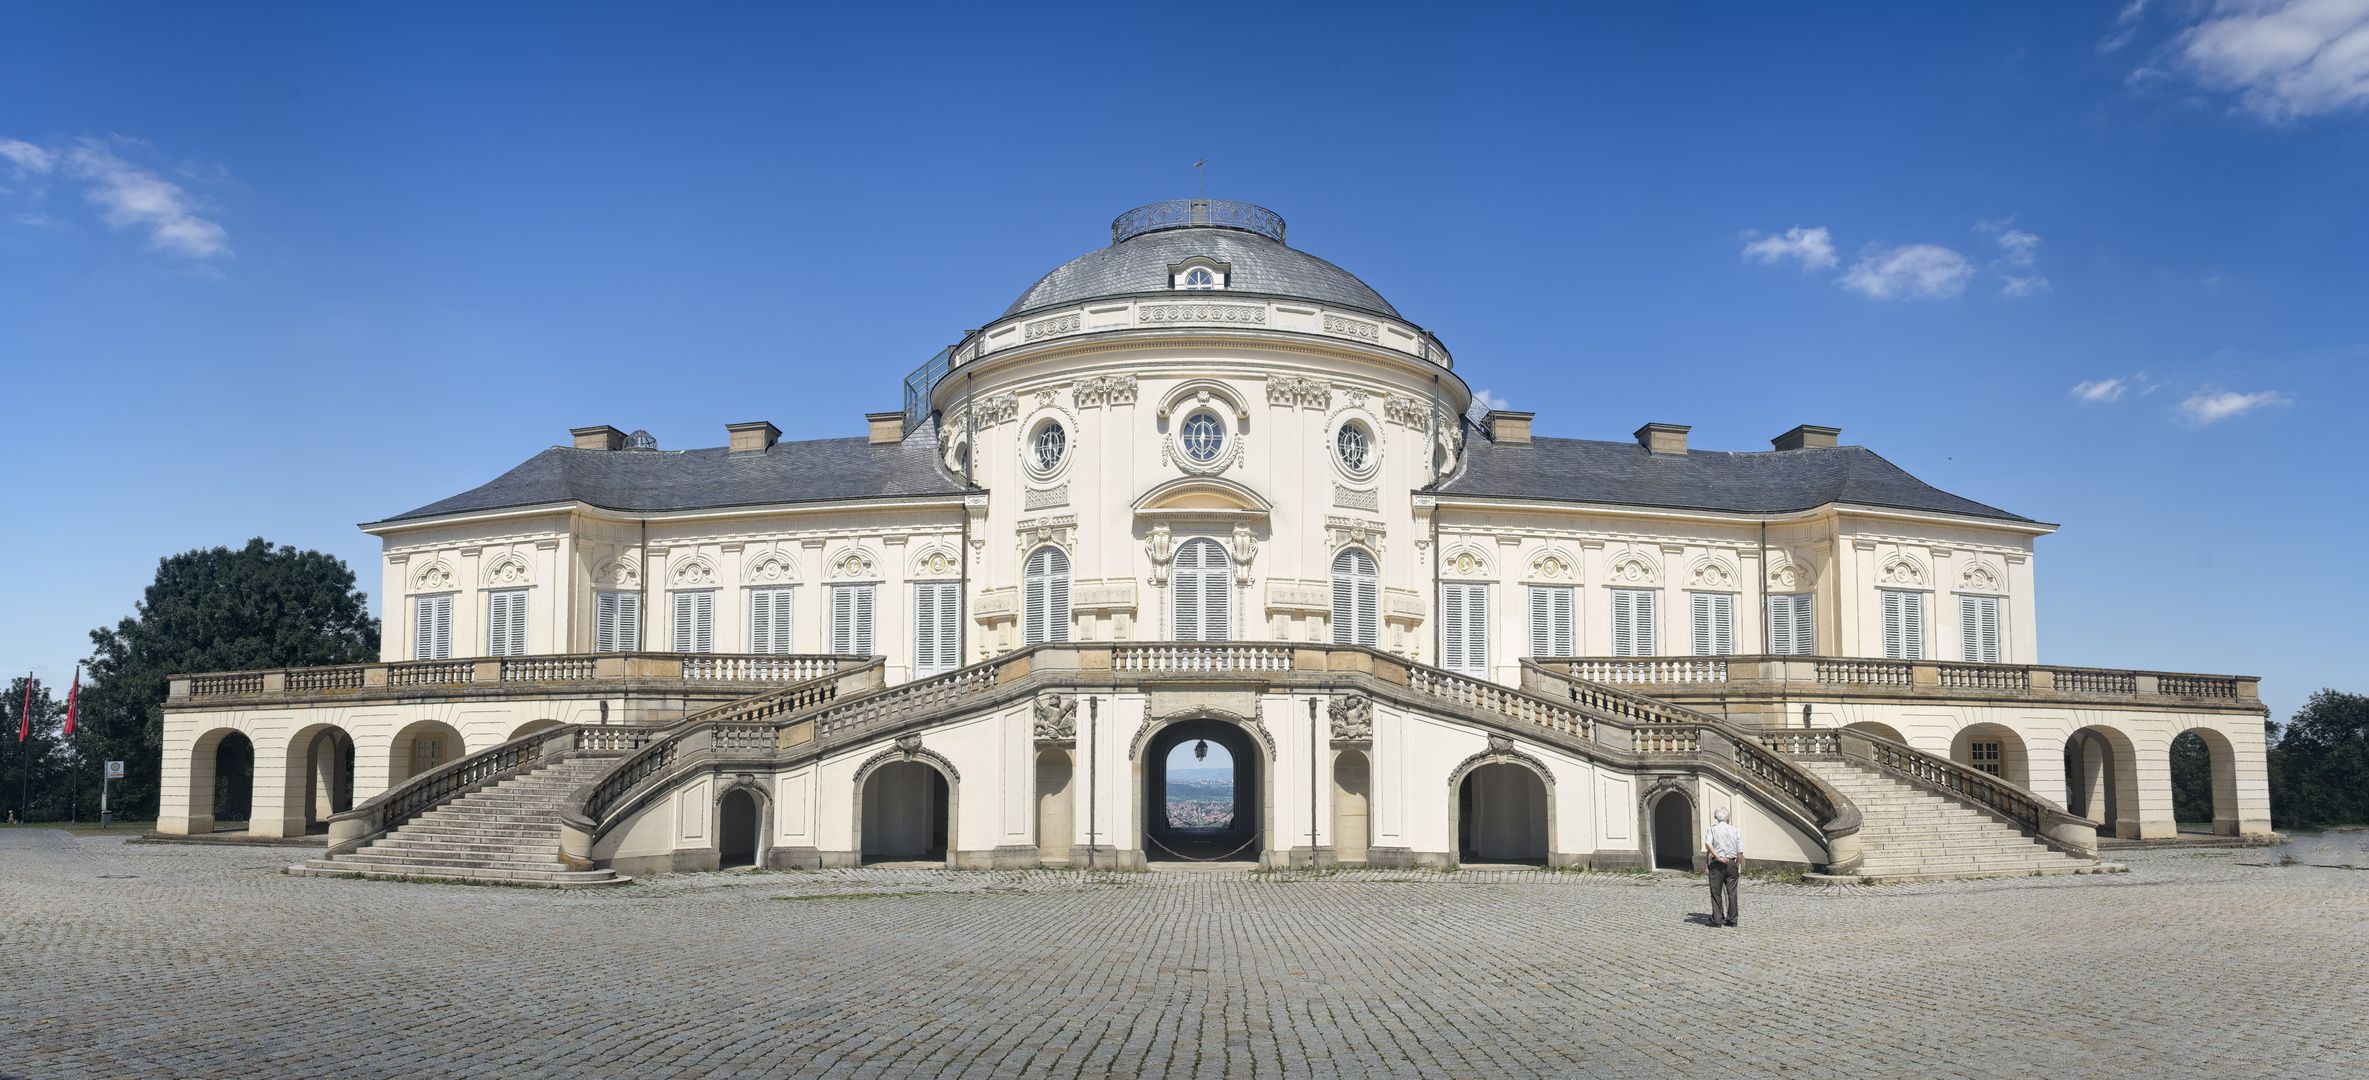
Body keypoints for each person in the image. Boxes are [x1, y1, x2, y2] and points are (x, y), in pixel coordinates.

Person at [1703, 806, 1744, 927]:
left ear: (1716, 818)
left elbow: (1707, 844)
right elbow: (1740, 851)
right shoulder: (1735, 830)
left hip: (1717, 863)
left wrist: (1717, 856)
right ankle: (1732, 920)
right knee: (1732, 893)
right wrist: (1737, 864)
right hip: (1731, 862)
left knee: (1716, 892)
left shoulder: (1712, 830)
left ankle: (1717, 919)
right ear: (1728, 818)